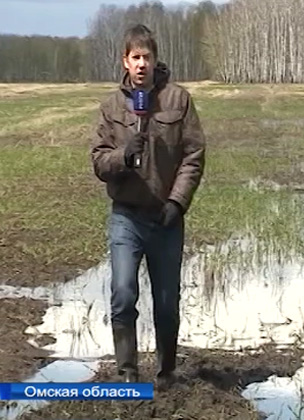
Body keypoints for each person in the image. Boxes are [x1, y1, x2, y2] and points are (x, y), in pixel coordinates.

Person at [89, 23, 205, 390]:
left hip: (166, 219)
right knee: (123, 292)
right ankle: (127, 374)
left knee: (167, 302)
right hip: (126, 217)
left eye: (147, 57)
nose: (141, 64)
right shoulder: (111, 108)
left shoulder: (178, 100)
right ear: (125, 61)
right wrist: (124, 155)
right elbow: (98, 161)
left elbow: (194, 155)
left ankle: (167, 373)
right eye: (135, 57)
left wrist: (177, 202)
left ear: (156, 60)